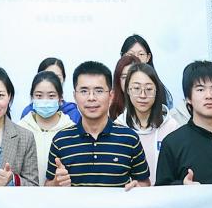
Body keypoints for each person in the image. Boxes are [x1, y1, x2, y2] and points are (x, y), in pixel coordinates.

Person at [45, 61, 150, 189]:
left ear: (111, 96)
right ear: (75, 96)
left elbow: (145, 183)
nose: (91, 98)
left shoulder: (130, 139)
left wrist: (138, 188)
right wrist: (55, 184)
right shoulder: (60, 140)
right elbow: (47, 185)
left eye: (99, 91)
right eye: (84, 91)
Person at [115, 62, 180, 179]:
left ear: (156, 91)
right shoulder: (118, 127)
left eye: (149, 89)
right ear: (128, 90)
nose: (143, 95)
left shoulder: (171, 127)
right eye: (136, 88)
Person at [17, 71, 76, 185]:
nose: (45, 101)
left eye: (51, 96)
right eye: (39, 96)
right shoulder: (21, 129)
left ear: (60, 98)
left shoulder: (71, 129)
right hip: (27, 193)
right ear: (32, 98)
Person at [19, 57, 81, 123]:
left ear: (64, 79)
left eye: (57, 77)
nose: (51, 82)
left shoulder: (72, 112)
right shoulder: (28, 113)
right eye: (46, 76)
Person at [108, 54, 142, 121]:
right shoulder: (111, 105)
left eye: (132, 76)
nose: (128, 81)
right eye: (124, 77)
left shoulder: (149, 102)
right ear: (118, 80)